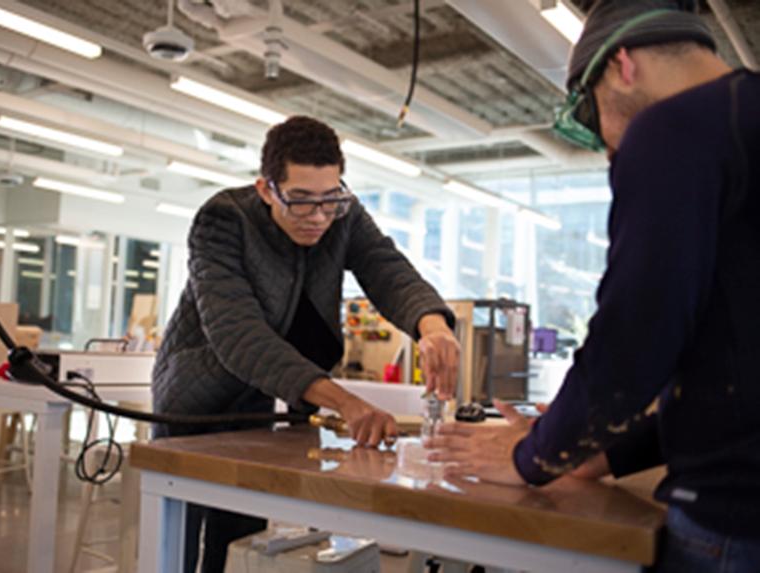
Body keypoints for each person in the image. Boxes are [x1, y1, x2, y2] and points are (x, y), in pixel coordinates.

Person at [426, 1, 759, 571]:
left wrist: (535, 456)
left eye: (592, 113)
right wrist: (601, 453)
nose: (607, 144)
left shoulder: (672, 128)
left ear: (621, 66)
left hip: (736, 519)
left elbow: (634, 341)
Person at [152, 115, 460, 573]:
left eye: (329, 200)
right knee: (179, 539)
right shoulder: (222, 220)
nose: (318, 217)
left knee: (239, 538)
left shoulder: (343, 213)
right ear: (266, 189)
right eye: (299, 201)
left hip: (258, 398)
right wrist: (345, 403)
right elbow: (239, 337)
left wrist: (432, 326)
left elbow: (386, 269)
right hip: (195, 399)